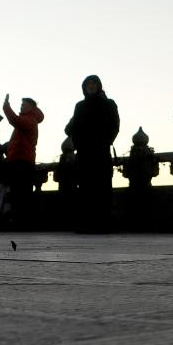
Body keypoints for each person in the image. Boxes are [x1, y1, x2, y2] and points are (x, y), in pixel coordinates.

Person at [66, 75, 120, 232]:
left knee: (102, 187)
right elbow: (72, 128)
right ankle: (85, 223)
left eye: (93, 84)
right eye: (88, 84)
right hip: (84, 153)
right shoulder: (79, 106)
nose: (90, 86)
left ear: (98, 86)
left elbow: (115, 125)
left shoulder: (109, 104)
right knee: (85, 187)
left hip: (101, 151)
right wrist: (78, 143)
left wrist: (105, 141)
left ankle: (102, 223)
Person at [1, 94, 44, 228]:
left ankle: (22, 221)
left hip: (21, 161)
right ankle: (23, 221)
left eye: (24, 105)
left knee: (20, 193)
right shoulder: (30, 119)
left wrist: (6, 107)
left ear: (31, 107)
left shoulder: (29, 119)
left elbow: (14, 120)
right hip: (22, 160)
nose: (21, 107)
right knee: (21, 192)